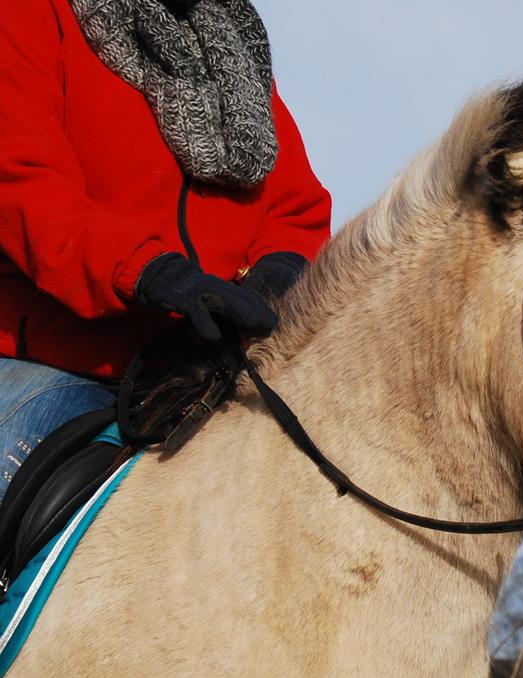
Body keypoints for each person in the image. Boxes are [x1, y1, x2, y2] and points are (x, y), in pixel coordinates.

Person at [0, 0, 331, 500]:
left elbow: (294, 205)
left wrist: (279, 273)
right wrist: (151, 273)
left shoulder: (230, 45)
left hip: (207, 371)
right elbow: (22, 183)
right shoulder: (28, 13)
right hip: (59, 357)